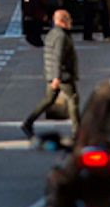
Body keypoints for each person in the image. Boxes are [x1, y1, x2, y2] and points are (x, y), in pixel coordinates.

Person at [22, 9, 79, 138]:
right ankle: (77, 131)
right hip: (62, 75)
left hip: (52, 74)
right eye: (69, 19)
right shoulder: (61, 36)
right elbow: (57, 56)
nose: (71, 22)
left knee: (49, 100)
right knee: (73, 100)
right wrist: (57, 77)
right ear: (62, 21)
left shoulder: (52, 34)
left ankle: (28, 122)